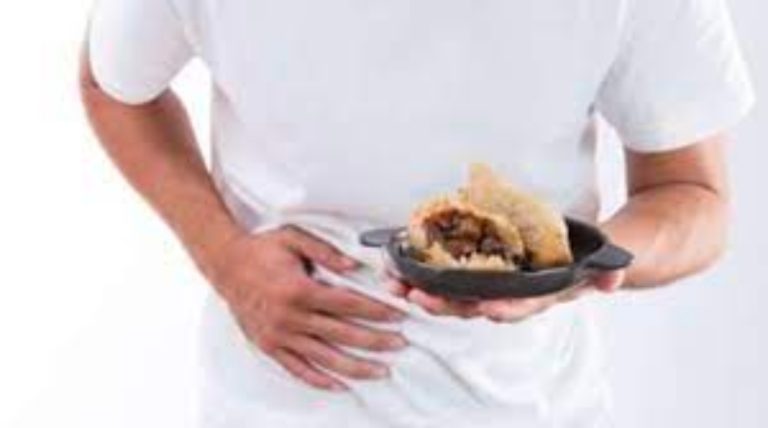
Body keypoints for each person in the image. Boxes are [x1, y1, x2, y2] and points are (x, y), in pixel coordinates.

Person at [80, 0, 754, 426]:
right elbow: (113, 86)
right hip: (277, 404)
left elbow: (692, 195)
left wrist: (579, 265)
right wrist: (225, 259)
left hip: (531, 405)